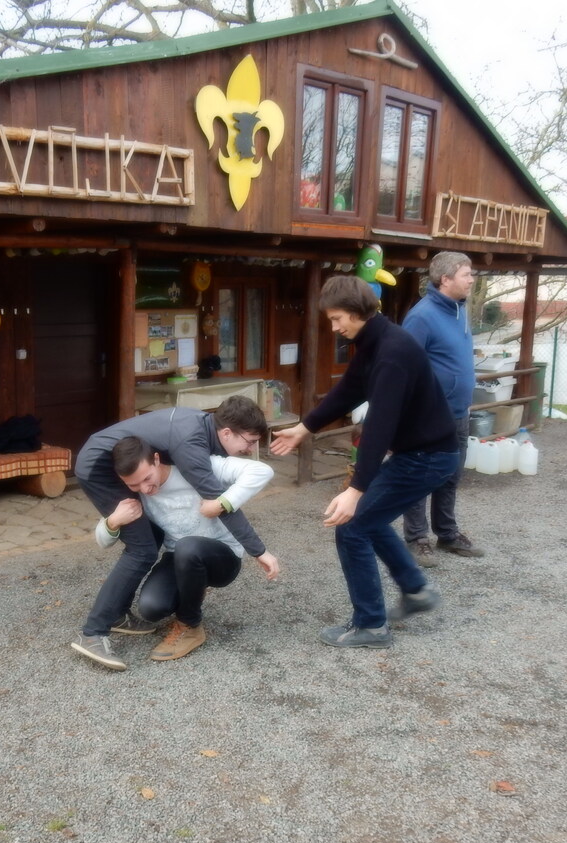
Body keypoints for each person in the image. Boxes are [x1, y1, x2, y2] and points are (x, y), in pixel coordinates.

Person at [270, 275, 459, 649]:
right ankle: (416, 590)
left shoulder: (392, 352)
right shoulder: (373, 342)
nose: (334, 327)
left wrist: (355, 490)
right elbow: (348, 390)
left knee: (353, 526)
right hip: (421, 453)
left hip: (428, 457)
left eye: (337, 318)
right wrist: (304, 428)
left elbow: (379, 427)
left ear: (357, 311)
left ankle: (371, 625)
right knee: (369, 521)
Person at [72, 395, 280, 670]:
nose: (250, 449)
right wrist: (112, 521)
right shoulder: (186, 449)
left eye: (147, 479)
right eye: (250, 441)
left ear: (157, 460)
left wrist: (224, 507)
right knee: (142, 550)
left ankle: (123, 616)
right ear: (226, 432)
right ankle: (94, 632)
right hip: (96, 465)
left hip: (209, 551)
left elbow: (247, 482)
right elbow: (220, 504)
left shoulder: (196, 439)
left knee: (152, 543)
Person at [400, 251, 484, 567]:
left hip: (459, 412)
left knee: (451, 475)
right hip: (428, 416)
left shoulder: (461, 310)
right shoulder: (421, 317)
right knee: (420, 476)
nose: (472, 280)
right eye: (466, 274)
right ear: (445, 279)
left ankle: (447, 534)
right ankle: (417, 539)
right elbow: (404, 368)